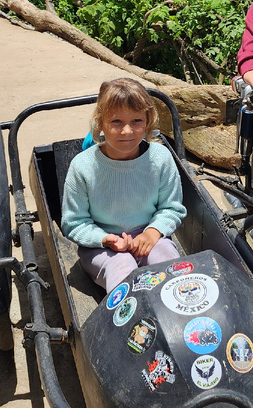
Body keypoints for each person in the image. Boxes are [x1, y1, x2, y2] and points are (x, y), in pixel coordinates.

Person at [61, 78, 186, 293]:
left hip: (149, 236)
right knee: (123, 268)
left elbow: (171, 207)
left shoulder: (161, 158)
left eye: (136, 121)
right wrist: (105, 239)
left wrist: (153, 232)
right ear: (100, 123)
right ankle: (132, 322)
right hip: (101, 245)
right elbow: (74, 222)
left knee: (170, 266)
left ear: (148, 122)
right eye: (116, 122)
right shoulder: (82, 167)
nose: (127, 131)